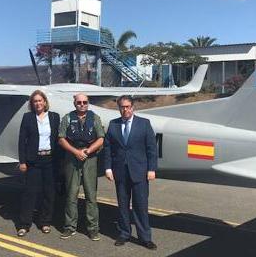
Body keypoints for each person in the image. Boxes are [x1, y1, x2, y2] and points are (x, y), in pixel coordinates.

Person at [104, 95, 158, 250]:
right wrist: (108, 168)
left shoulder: (144, 124)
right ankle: (124, 234)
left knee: (141, 205)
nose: (125, 109)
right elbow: (108, 148)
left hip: (140, 171)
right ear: (119, 108)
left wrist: (151, 169)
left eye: (127, 106)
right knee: (122, 205)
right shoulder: (113, 125)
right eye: (122, 106)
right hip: (120, 171)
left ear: (133, 107)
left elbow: (151, 148)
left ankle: (145, 237)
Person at [58, 93, 104, 241]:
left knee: (91, 196)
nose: (82, 104)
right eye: (79, 102)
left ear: (88, 103)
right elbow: (61, 138)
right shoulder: (67, 118)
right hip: (72, 157)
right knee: (71, 195)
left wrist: (88, 151)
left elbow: (101, 138)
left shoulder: (95, 118)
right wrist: (76, 152)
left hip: (90, 158)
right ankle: (69, 227)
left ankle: (93, 229)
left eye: (85, 102)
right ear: (74, 104)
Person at [16, 90, 61, 237]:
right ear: (32, 104)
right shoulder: (28, 117)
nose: (38, 103)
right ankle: (24, 224)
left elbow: (58, 140)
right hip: (33, 160)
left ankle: (45, 222)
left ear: (45, 102)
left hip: (50, 159)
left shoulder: (54, 117)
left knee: (49, 193)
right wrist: (22, 161)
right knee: (30, 193)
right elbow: (22, 141)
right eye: (35, 101)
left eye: (40, 100)